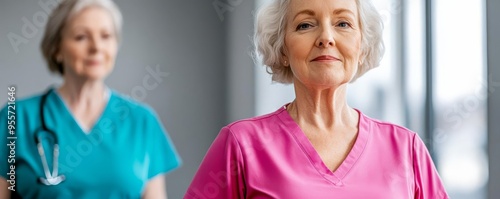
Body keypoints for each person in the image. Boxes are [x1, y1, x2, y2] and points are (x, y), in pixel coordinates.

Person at [184, 0, 448, 198]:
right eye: (305, 25)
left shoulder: (406, 149)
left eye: (343, 23)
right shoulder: (241, 144)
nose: (326, 38)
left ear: (362, 46)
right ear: (283, 47)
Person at [0, 0, 181, 198]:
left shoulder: (142, 122)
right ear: (56, 49)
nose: (96, 47)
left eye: (106, 36)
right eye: (81, 37)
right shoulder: (15, 119)